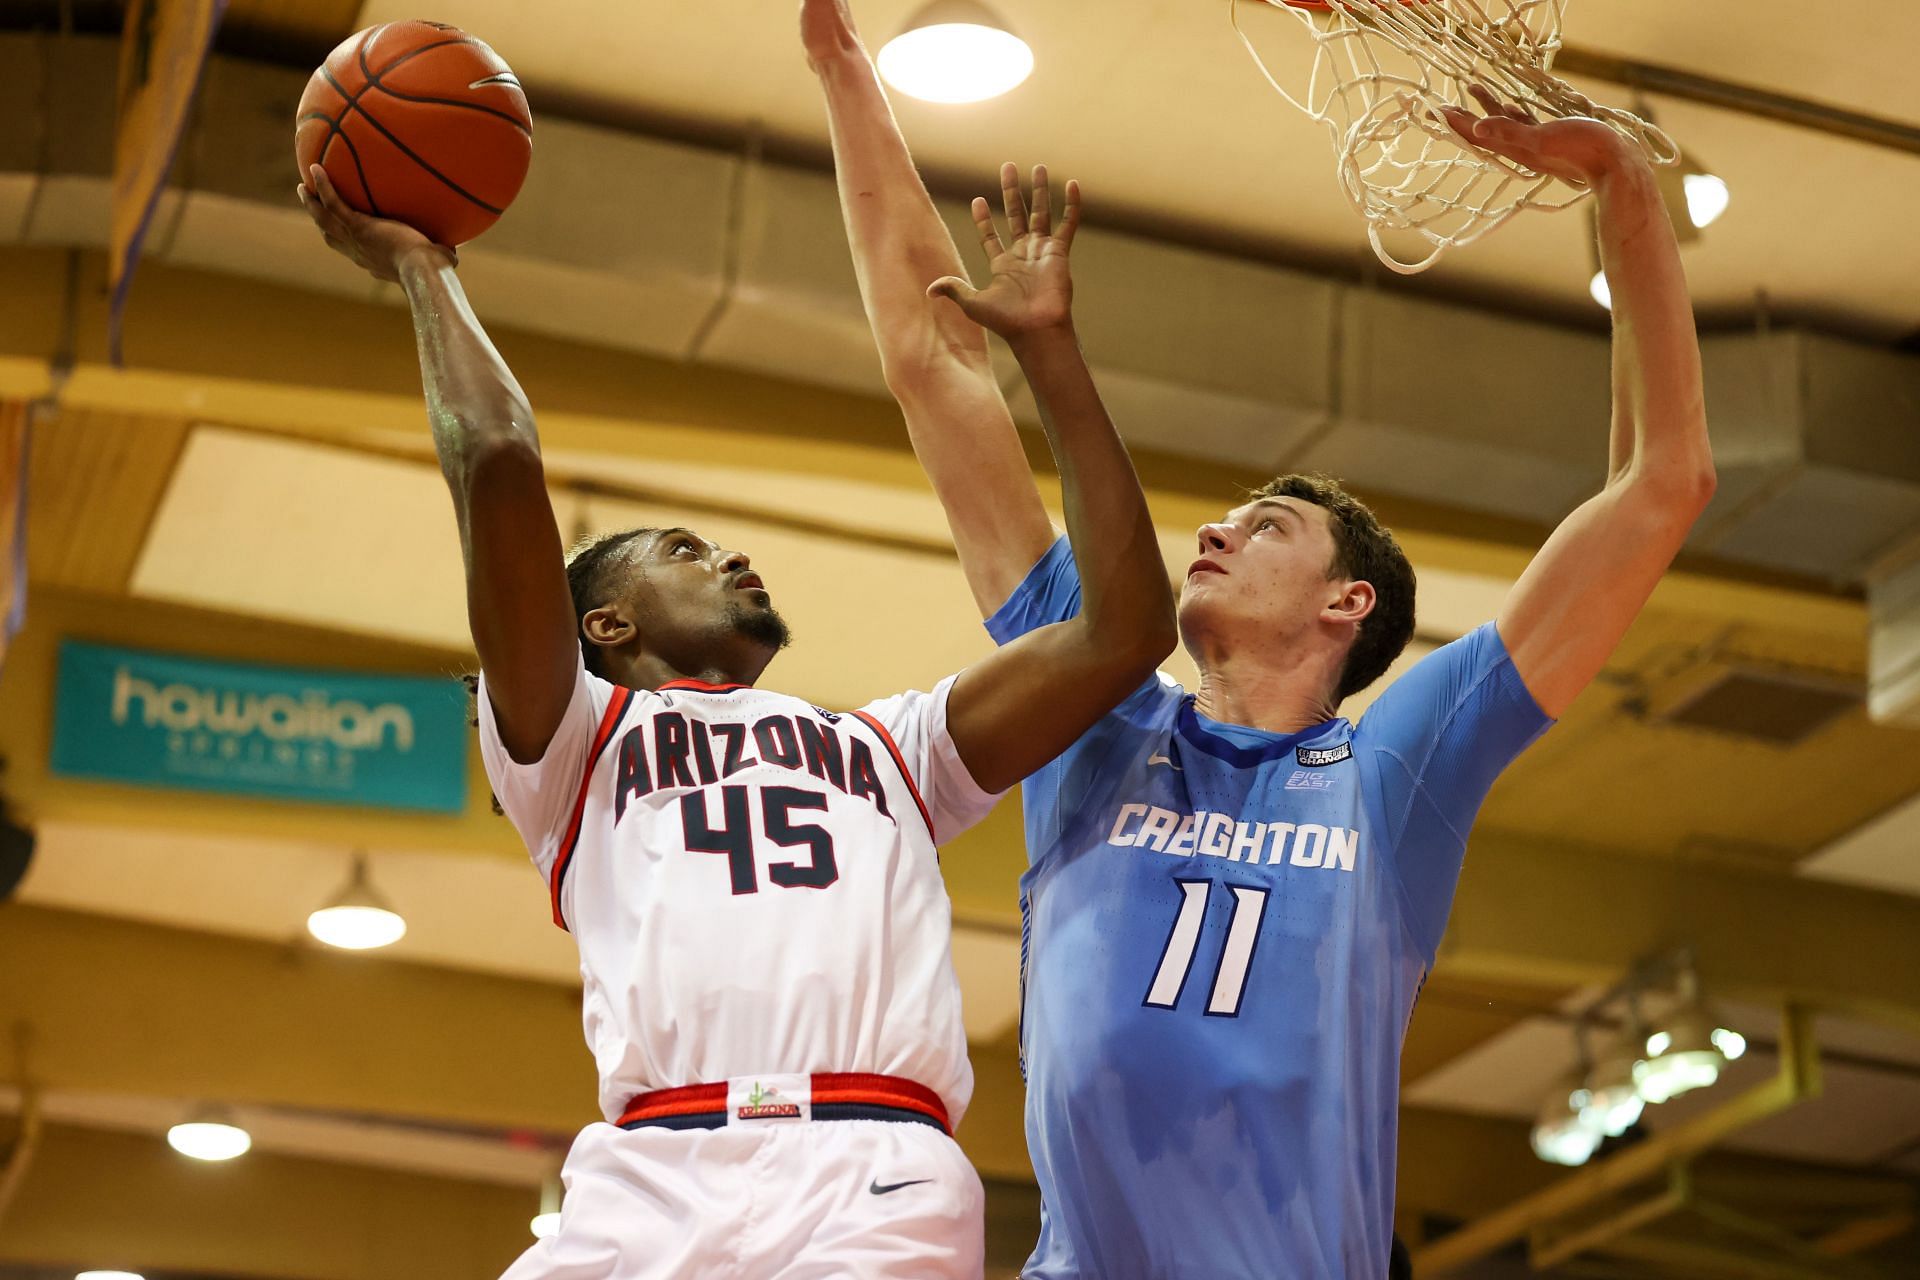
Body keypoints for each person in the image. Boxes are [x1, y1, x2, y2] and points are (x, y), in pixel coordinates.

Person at [806, 2, 1717, 1272]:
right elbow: (932, 362)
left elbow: (1662, 481)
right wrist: (845, 74)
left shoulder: (1399, 757)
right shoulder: (1099, 713)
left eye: (1269, 522)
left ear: (1351, 604)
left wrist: (1623, 185)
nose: (1216, 532)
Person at [297, 150, 1173, 1279]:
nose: (733, 554)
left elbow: (1124, 631)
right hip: (646, 1173)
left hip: (874, 1169)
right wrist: (424, 268)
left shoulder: (891, 747)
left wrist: (1048, 354)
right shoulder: (576, 743)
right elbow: (501, 455)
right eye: (686, 551)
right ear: (604, 626)